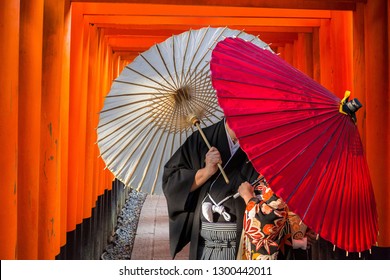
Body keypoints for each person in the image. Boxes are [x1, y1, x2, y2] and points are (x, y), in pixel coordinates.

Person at [162, 118, 259, 260]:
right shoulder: (202, 139)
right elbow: (172, 182)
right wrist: (206, 171)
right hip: (205, 243)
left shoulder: (262, 143)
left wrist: (250, 196)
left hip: (243, 243)